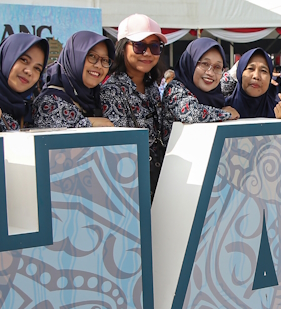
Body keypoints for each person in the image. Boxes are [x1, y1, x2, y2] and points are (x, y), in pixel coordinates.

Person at [102, 14, 167, 191]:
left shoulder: (152, 86)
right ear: (123, 48)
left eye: (154, 47)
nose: (147, 53)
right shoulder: (112, 90)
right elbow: (118, 149)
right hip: (130, 184)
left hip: (160, 179)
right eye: (139, 46)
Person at [159, 37, 239, 146]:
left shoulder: (216, 94)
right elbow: (191, 112)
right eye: (205, 64)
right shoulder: (175, 88)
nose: (210, 72)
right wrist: (226, 114)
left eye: (217, 67)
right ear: (190, 63)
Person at [30, 31, 115, 129]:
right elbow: (55, 142)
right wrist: (88, 124)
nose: (99, 65)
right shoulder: (49, 103)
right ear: (74, 57)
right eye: (92, 56)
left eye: (104, 60)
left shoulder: (100, 96)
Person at [225, 48, 280, 119]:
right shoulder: (223, 109)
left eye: (263, 71)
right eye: (250, 69)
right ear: (240, 73)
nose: (256, 76)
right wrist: (223, 116)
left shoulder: (278, 113)